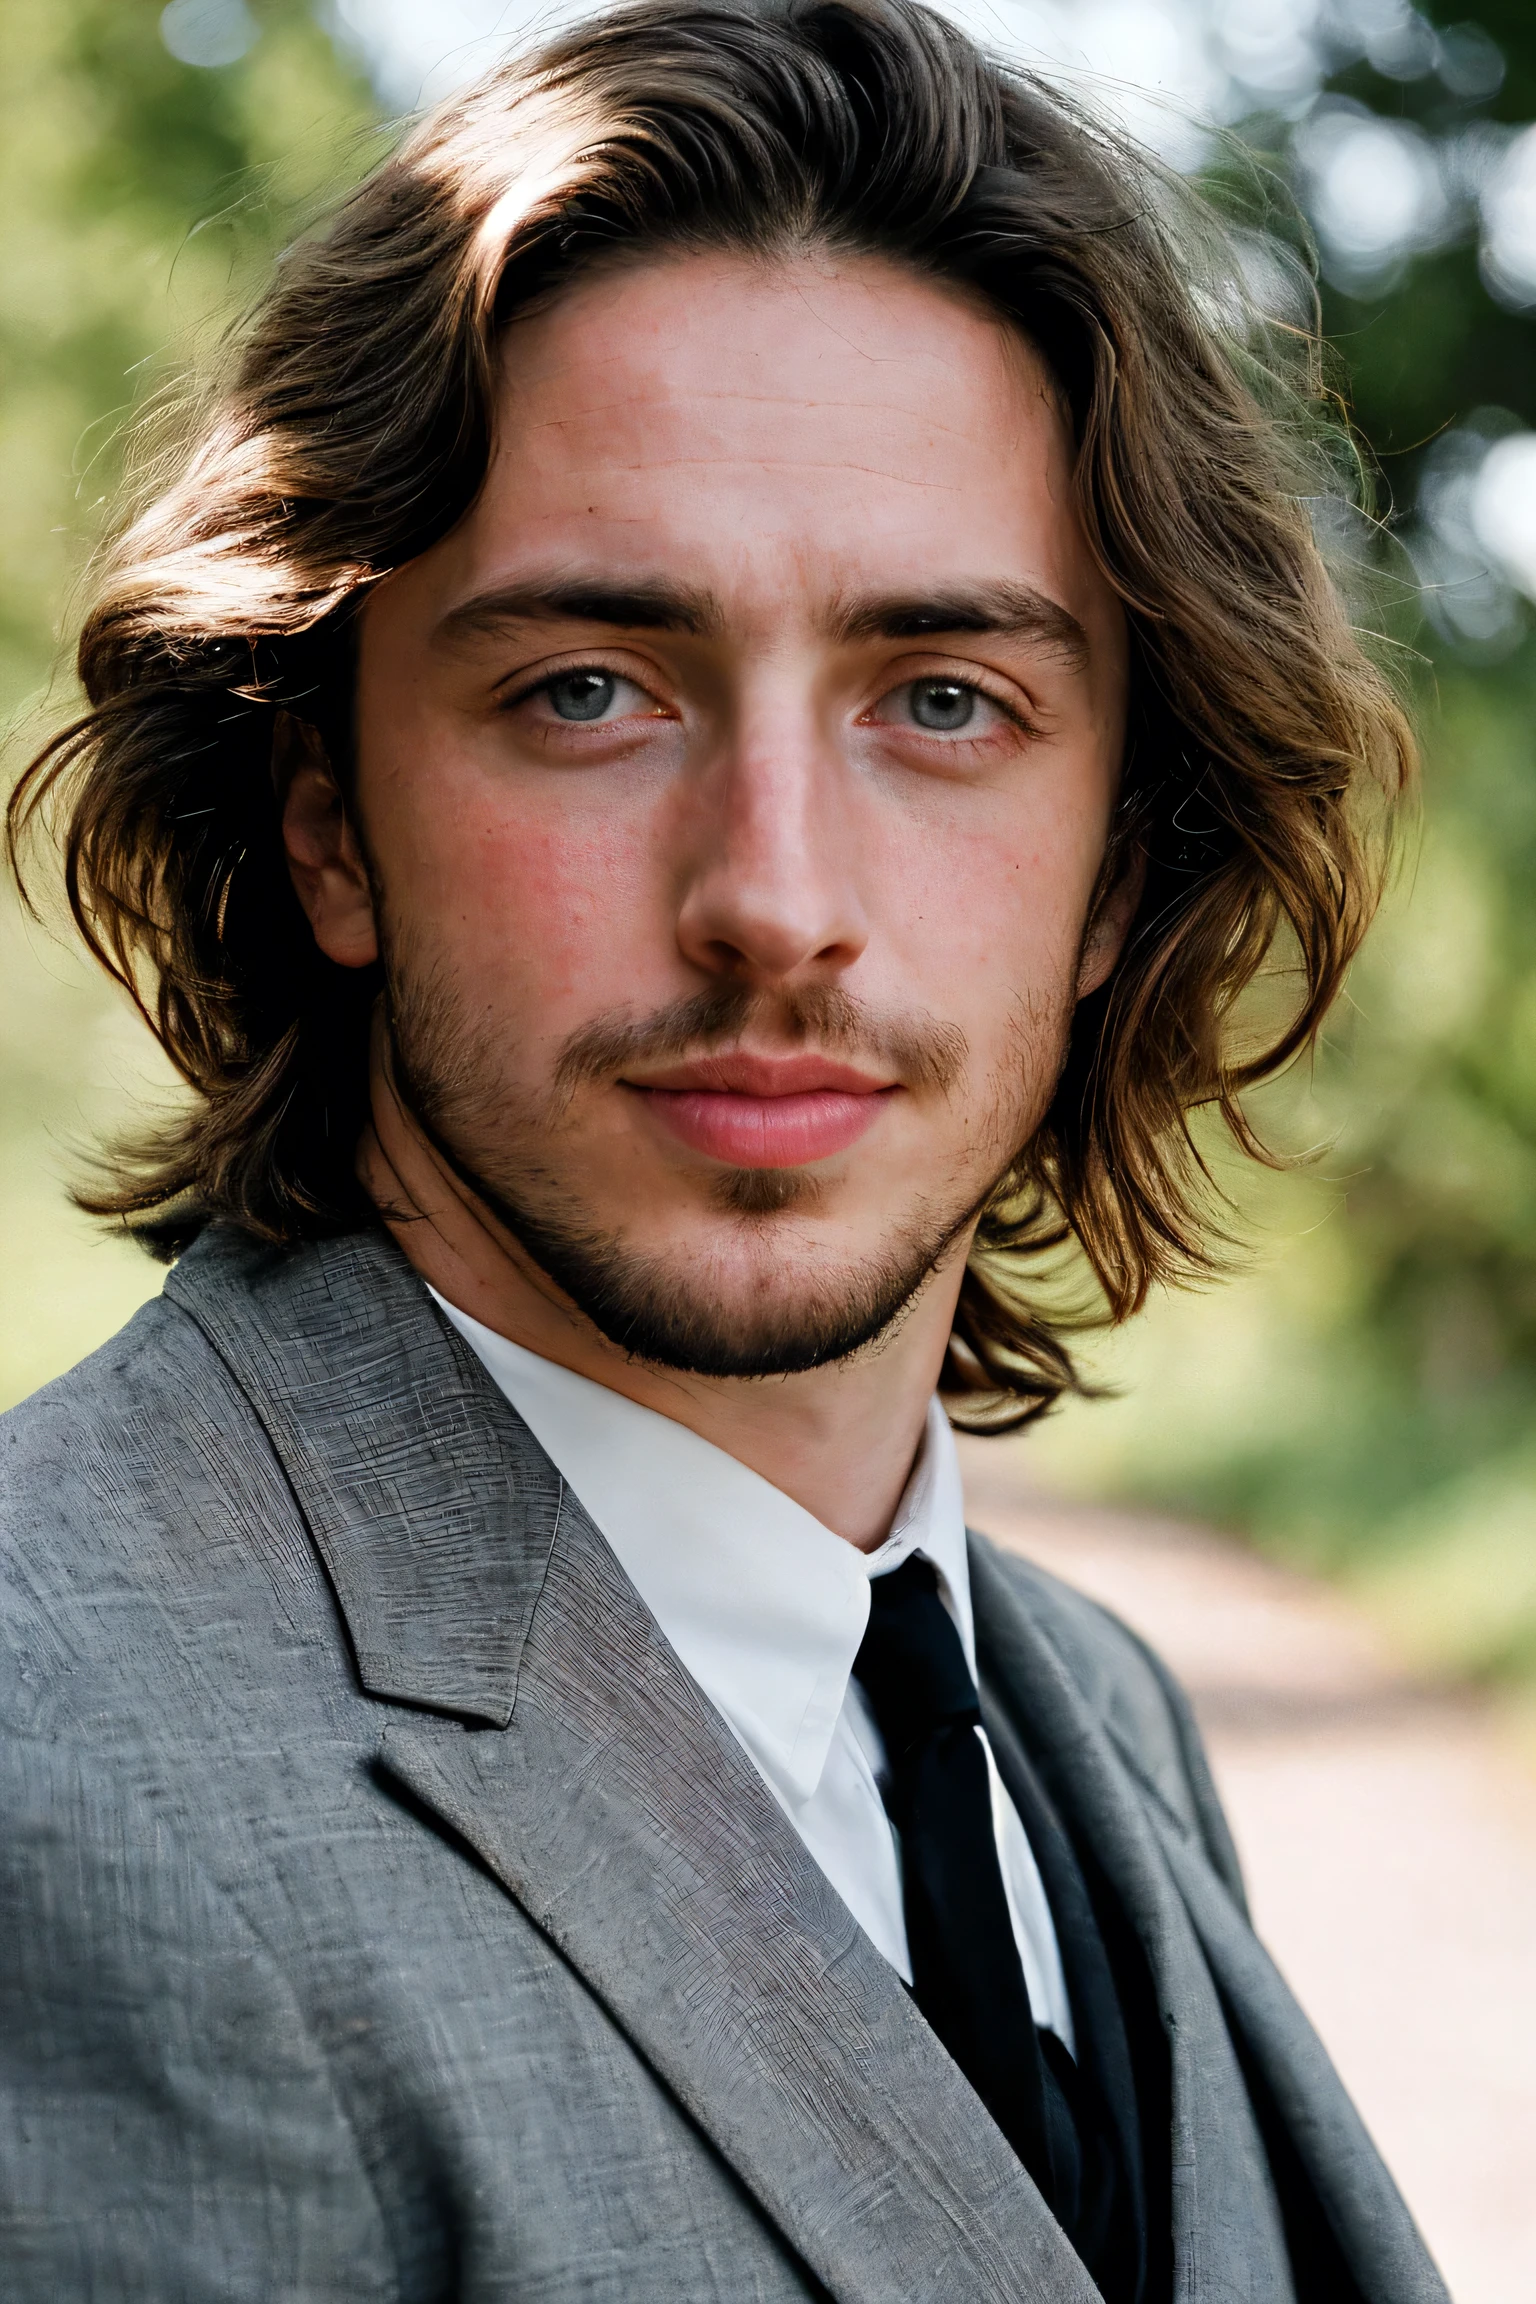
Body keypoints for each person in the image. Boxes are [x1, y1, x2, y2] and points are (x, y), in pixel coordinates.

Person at [0, 2, 1443, 2297]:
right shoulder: (52, 1784)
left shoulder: (1088, 1717)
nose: (775, 893)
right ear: (328, 827)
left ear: (1119, 872)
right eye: (591, 689)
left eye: (943, 701)